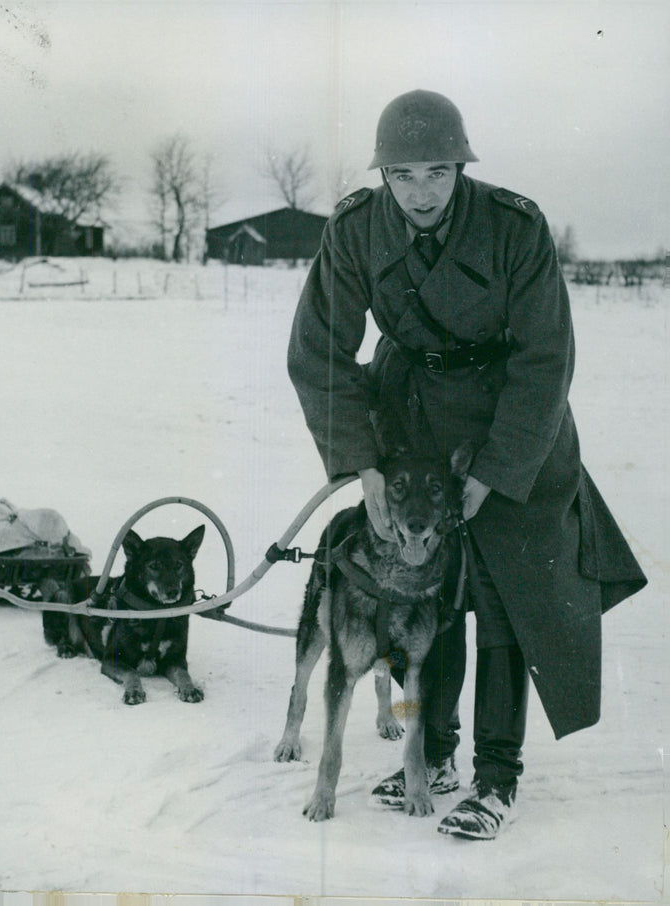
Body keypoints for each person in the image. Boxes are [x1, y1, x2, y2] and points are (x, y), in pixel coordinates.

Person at [287, 89, 647, 840]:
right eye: (404, 175)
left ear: (461, 166)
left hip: (512, 417)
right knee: (425, 588)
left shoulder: (515, 226)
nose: (420, 192)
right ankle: (435, 754)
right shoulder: (356, 229)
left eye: (437, 172)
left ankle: (497, 778)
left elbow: (545, 359)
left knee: (509, 590)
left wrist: (495, 469)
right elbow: (318, 348)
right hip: (410, 416)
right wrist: (364, 464)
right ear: (384, 176)